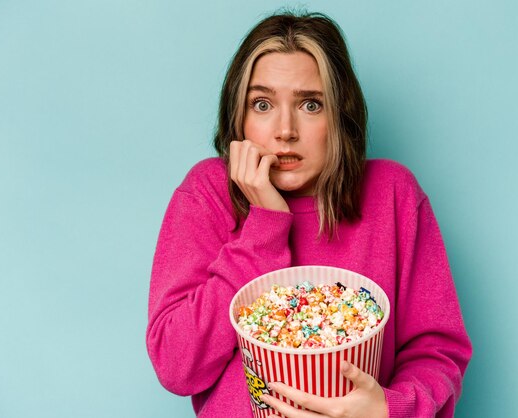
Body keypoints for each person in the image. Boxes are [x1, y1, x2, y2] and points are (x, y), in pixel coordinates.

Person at [146, 9, 472, 418]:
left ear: (340, 115)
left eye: (311, 105)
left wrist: (388, 409)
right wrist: (265, 224)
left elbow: (437, 352)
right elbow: (177, 366)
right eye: (262, 104)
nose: (285, 130)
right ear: (238, 118)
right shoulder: (207, 193)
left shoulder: (392, 194)